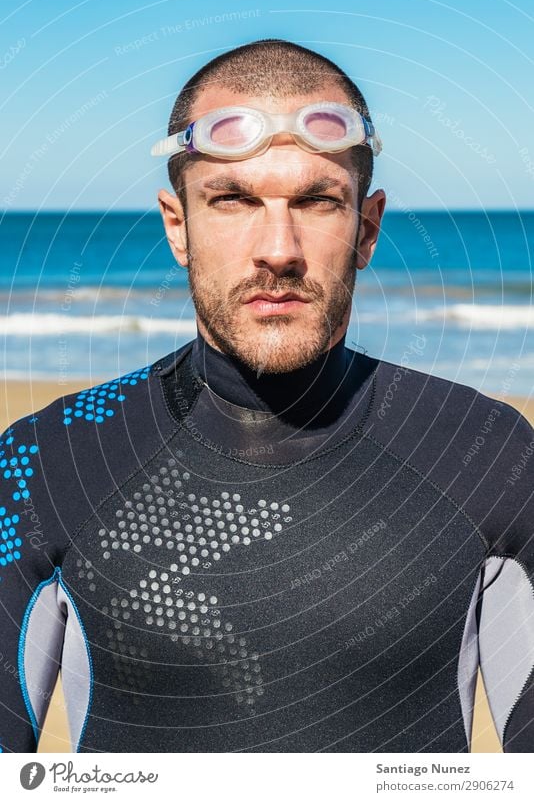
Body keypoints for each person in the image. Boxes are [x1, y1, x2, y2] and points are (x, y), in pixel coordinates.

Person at [1, 38, 533, 754]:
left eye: (317, 200)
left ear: (367, 227)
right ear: (177, 224)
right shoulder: (43, 462)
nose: (278, 248)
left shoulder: (494, 455)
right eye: (232, 199)